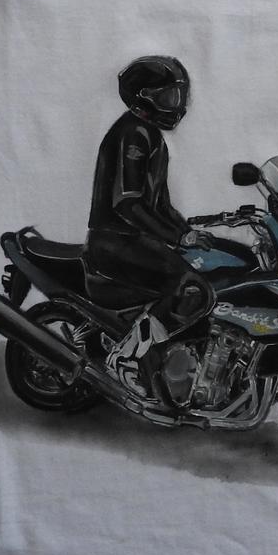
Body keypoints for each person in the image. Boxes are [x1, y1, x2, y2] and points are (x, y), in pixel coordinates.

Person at [85, 55, 216, 397]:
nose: (178, 105)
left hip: (130, 240)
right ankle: (127, 358)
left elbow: (162, 206)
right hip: (116, 241)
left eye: (179, 96)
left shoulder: (150, 136)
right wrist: (178, 237)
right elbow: (128, 203)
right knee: (193, 290)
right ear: (143, 97)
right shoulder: (134, 134)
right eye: (169, 97)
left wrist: (189, 232)